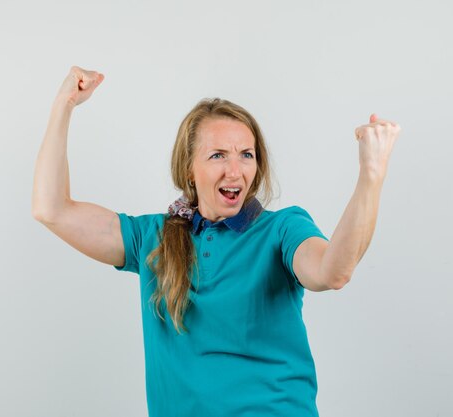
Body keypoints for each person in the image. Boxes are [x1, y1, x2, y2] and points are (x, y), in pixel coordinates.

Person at [31, 66, 401, 417]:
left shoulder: (282, 230)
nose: (235, 170)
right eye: (218, 155)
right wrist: (64, 105)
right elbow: (52, 209)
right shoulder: (153, 238)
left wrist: (371, 177)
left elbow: (333, 271)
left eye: (246, 155)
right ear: (189, 168)